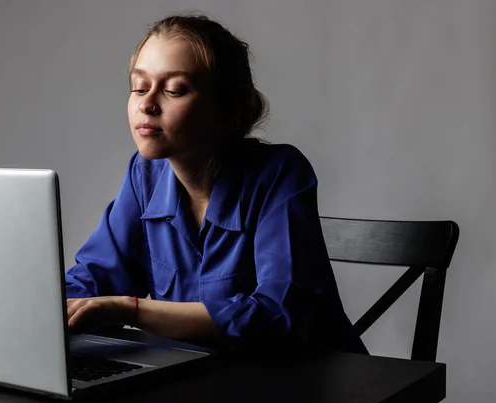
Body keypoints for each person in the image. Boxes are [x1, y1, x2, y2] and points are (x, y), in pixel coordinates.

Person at [64, 14, 367, 355]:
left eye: (174, 89)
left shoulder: (280, 174)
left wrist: (132, 310)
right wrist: (37, 305)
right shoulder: (145, 174)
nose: (147, 104)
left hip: (314, 389)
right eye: (138, 86)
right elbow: (94, 278)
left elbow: (278, 315)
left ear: (226, 106)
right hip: (204, 385)